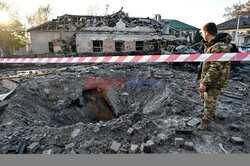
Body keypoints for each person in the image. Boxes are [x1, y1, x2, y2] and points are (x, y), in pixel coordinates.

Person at [197, 22, 232, 130]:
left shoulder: (219, 46)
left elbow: (215, 67)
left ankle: (206, 122)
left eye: (203, 33)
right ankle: (208, 114)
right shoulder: (212, 45)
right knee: (204, 98)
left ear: (207, 33)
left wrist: (205, 82)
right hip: (208, 78)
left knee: (209, 101)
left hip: (214, 80)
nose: (202, 35)